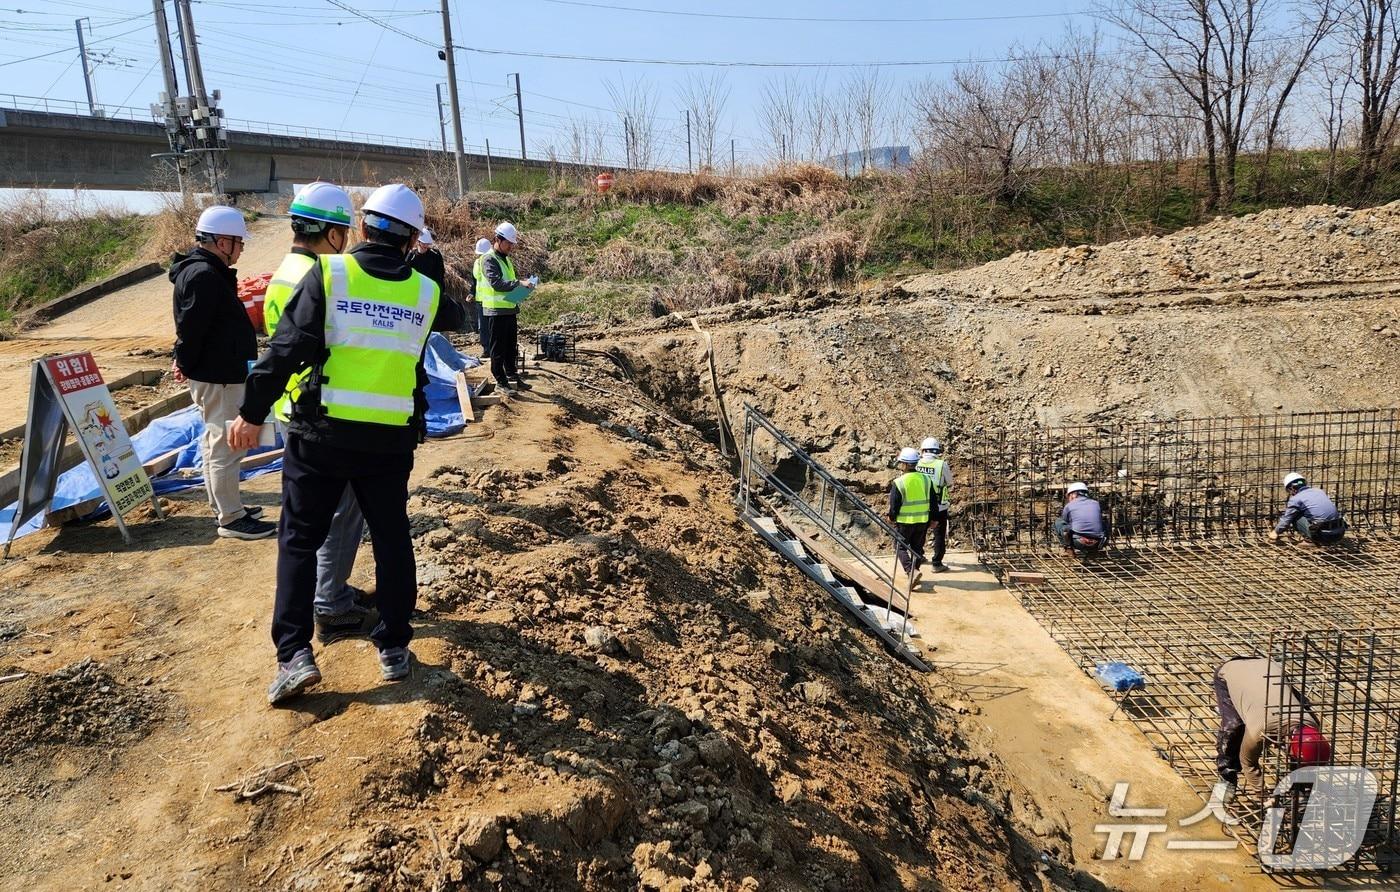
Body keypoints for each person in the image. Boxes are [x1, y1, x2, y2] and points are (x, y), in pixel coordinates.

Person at [230, 183, 466, 704]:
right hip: (389, 440)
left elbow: (285, 352)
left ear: (360, 228)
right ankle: (394, 648)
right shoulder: (426, 295)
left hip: (323, 435)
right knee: (390, 538)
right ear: (411, 241)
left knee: (298, 541)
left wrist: (250, 414)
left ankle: (294, 654)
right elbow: (452, 318)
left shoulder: (329, 274)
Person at [263, 181, 378, 645]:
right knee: (341, 510)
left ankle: (331, 592)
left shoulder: (285, 271)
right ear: (333, 235)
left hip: (292, 402)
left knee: (317, 516)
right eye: (345, 233)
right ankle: (330, 601)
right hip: (319, 408)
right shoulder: (320, 277)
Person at [170, 205, 276, 541]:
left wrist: (183, 358)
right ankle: (230, 518)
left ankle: (229, 507)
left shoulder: (208, 272)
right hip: (218, 376)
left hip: (221, 372)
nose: (242, 248)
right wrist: (184, 361)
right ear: (221, 241)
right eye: (239, 242)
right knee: (225, 446)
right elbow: (191, 329)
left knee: (217, 442)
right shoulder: (202, 275)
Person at [1214, 656, 1331, 798]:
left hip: (1269, 666)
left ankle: (1299, 789)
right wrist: (1263, 796)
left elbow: (1306, 755)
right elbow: (1248, 763)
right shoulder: (1260, 730)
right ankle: (1227, 775)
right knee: (1234, 728)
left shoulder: (1312, 724)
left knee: (1302, 704)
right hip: (1232, 671)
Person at [475, 221, 535, 393]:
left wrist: (523, 288)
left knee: (510, 346)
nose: (511, 247)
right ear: (498, 240)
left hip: (509, 308)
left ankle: (512, 375)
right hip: (495, 311)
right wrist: (519, 283)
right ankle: (501, 381)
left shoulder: (506, 260)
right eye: (509, 243)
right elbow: (497, 283)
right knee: (498, 348)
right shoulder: (488, 259)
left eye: (512, 244)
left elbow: (508, 283)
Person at [887, 447, 932, 583]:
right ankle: (914, 572)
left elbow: (895, 504)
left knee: (900, 546)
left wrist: (891, 517)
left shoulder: (899, 482)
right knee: (917, 548)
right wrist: (934, 518)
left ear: (905, 464)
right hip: (923, 520)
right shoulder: (926, 479)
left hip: (905, 522)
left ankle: (910, 571)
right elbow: (933, 500)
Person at [1270, 473, 1347, 545]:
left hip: (1323, 536)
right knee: (1309, 512)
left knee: (1294, 516)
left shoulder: (1296, 499)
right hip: (1340, 533)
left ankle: (1309, 541)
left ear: (1291, 488)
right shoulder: (1319, 491)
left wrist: (1276, 532)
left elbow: (1286, 520)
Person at [916, 437, 952, 572]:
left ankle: (918, 555)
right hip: (939, 506)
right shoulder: (941, 464)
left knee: (920, 532)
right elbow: (949, 482)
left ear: (923, 449)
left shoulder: (917, 463)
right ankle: (936, 563)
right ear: (937, 450)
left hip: (920, 504)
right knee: (939, 534)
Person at [1053, 481, 1107, 554]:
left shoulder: (1069, 506)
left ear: (1073, 495)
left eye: (1068, 496)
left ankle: (1068, 547)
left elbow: (1066, 521)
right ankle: (1095, 549)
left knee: (1059, 522)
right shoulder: (1096, 503)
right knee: (1104, 523)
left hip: (1078, 542)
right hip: (1098, 542)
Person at [472, 237, 491, 353]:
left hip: (491, 301)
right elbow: (475, 281)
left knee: (491, 327)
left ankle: (492, 348)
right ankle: (486, 349)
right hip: (480, 300)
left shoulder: (492, 263)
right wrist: (471, 292)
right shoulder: (477, 263)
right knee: (483, 327)